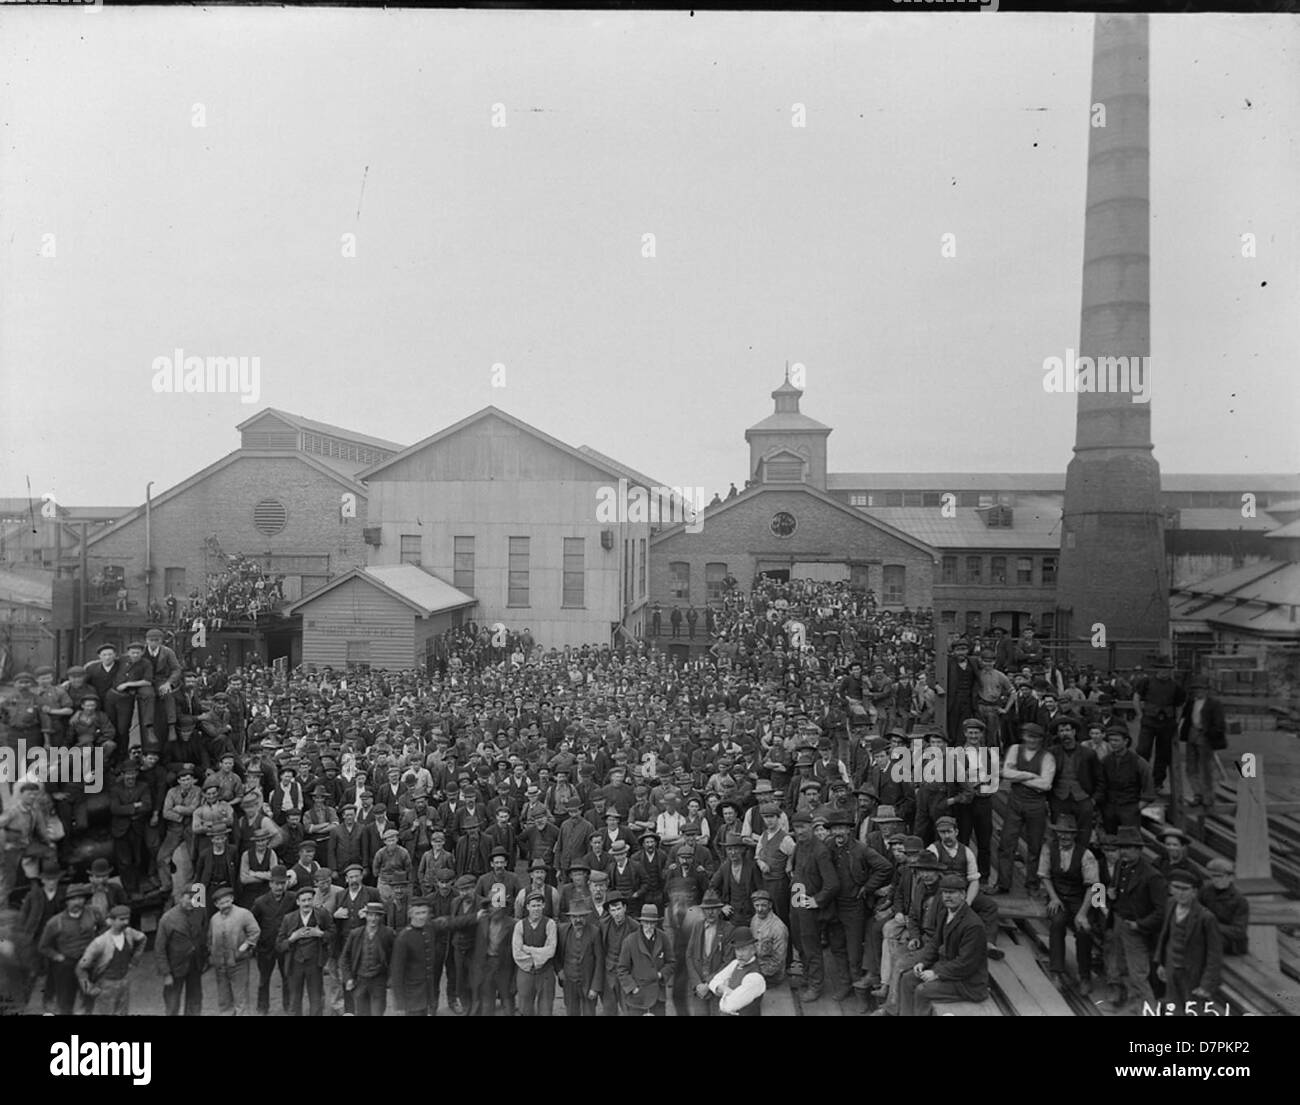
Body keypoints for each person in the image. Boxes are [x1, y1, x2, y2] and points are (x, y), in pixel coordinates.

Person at [897, 873, 989, 1016]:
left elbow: (966, 963)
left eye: (952, 893)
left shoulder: (973, 925)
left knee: (923, 991)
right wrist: (923, 962)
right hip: (949, 969)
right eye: (945, 893)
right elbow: (935, 943)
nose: (947, 897)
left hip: (967, 982)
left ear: (963, 894)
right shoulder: (945, 913)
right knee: (908, 979)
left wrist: (936, 973)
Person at [1104, 826, 1167, 1015]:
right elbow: (1116, 888)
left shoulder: (1152, 876)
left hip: (1136, 928)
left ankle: (1150, 1011)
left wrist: (1139, 925)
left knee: (1138, 974)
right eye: (1122, 847)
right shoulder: (1119, 866)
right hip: (1118, 921)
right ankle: (1132, 1005)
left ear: (1139, 850)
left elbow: (1161, 911)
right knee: (1119, 966)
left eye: (1129, 847)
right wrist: (1110, 894)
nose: (1123, 851)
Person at [1039, 814, 1100, 994]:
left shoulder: (1086, 854)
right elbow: (1044, 876)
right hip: (1058, 897)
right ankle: (1056, 972)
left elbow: (1093, 887)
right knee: (1057, 923)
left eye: (1067, 834)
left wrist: (1082, 913)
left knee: (1084, 931)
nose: (1063, 837)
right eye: (1060, 833)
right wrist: (1054, 898)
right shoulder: (1049, 849)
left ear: (1074, 835)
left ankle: (1084, 976)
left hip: (1080, 900)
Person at [994, 723, 1055, 895]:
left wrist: (1019, 777)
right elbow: (1006, 772)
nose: (1031, 740)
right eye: (1029, 736)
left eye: (1035, 737)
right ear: (1024, 736)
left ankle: (1032, 884)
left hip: (1036, 805)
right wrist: (1030, 776)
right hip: (1015, 802)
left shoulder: (1047, 757)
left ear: (1041, 739)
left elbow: (1045, 785)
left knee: (1034, 846)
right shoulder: (1015, 749)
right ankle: (1003, 884)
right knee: (1007, 843)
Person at [1155, 868, 1223, 1014]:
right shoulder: (1171, 904)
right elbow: (1165, 936)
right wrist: (1160, 962)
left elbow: (1214, 955)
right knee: (1174, 1007)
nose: (1180, 893)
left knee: (1194, 1010)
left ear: (1195, 891)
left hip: (1193, 975)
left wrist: (1206, 985)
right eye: (1176, 887)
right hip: (1172, 967)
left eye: (1185, 889)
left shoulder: (1206, 917)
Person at [788, 809, 839, 1002]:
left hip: (810, 906)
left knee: (811, 946)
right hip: (796, 900)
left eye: (802, 827)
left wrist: (816, 900)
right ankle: (807, 977)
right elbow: (796, 870)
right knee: (799, 943)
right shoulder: (799, 846)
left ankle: (816, 985)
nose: (799, 831)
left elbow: (832, 884)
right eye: (796, 827)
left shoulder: (820, 850)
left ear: (811, 827)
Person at [37, 883, 99, 1014]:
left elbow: (104, 928)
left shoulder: (93, 913)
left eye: (80, 898)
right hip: (67, 965)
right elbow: (43, 946)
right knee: (65, 1000)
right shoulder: (55, 922)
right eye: (73, 899)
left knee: (89, 997)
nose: (77, 902)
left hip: (88, 963)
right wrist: (57, 956)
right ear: (66, 902)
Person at [75, 904, 146, 1015]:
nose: (125, 923)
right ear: (111, 921)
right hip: (106, 985)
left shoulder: (129, 933)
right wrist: (88, 989)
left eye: (127, 919)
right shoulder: (100, 942)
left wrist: (135, 959)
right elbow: (80, 968)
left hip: (124, 981)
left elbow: (142, 939)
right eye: (121, 919)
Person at [276, 884, 334, 1016]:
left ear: (313, 900)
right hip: (295, 964)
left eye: (309, 900)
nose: (306, 903)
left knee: (316, 999)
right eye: (303, 900)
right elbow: (279, 945)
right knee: (295, 1000)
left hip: (315, 963)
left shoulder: (322, 915)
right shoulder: (288, 919)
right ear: (298, 902)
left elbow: (332, 934)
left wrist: (320, 934)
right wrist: (292, 938)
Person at [156, 882, 208, 1016]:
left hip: (195, 965)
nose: (193, 902)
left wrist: (205, 958)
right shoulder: (167, 919)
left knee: (195, 1001)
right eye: (189, 898)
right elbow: (160, 948)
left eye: (196, 899)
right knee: (172, 1004)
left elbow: (203, 935)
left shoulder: (200, 912)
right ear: (180, 898)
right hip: (175, 967)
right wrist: (166, 973)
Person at [208, 883, 260, 1015]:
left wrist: (246, 945)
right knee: (224, 1000)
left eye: (227, 901)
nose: (225, 904)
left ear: (232, 899)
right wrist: (213, 955)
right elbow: (209, 938)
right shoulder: (214, 919)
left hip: (238, 963)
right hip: (220, 966)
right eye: (221, 902)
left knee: (240, 998)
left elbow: (255, 931)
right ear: (216, 905)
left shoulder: (243, 914)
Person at [340, 902, 396, 1016]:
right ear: (366, 916)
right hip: (360, 980)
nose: (373, 919)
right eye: (370, 915)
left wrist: (391, 977)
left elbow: (395, 957)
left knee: (377, 1012)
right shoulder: (356, 934)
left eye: (376, 915)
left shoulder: (388, 933)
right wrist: (348, 978)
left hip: (378, 980)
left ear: (381, 917)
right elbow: (344, 958)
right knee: (361, 1012)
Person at [685, 889, 736, 1015]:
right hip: (699, 991)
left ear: (719, 910)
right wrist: (697, 984)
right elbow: (689, 956)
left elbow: (728, 962)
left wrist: (708, 984)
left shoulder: (728, 930)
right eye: (707, 909)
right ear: (703, 911)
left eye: (714, 909)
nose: (710, 912)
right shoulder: (697, 926)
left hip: (717, 988)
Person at [252, 865, 294, 1015]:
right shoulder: (260, 902)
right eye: (276, 883)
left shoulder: (292, 899)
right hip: (266, 947)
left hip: (285, 946)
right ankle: (262, 1008)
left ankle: (289, 1007)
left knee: (288, 978)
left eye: (282, 883)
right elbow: (253, 924)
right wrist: (257, 943)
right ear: (270, 883)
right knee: (264, 980)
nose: (279, 887)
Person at [617, 903, 672, 1016]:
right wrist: (633, 988)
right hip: (637, 998)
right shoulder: (630, 941)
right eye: (646, 922)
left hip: (657, 997)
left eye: (652, 922)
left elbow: (671, 963)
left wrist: (661, 974)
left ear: (656, 923)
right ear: (641, 922)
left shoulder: (663, 938)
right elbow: (622, 969)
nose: (649, 926)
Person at [1179, 681, 1226, 812]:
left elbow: (1219, 724)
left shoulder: (1214, 704)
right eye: (1196, 689)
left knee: (1205, 769)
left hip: (1205, 736)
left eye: (1201, 689)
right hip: (1192, 734)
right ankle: (1197, 794)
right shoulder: (1191, 703)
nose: (1198, 692)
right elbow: (1184, 717)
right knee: (1191, 767)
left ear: (1206, 690)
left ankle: (1208, 797)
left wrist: (1210, 734)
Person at [512, 890, 558, 1015]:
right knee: (525, 1008)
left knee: (546, 1008)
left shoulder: (550, 924)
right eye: (533, 906)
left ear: (543, 906)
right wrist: (532, 962)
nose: (536, 909)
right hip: (525, 972)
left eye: (539, 905)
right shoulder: (520, 925)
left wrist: (529, 949)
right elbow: (517, 952)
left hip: (545, 972)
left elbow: (550, 950)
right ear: (527, 907)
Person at [555, 899, 604, 1016]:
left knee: (589, 1013)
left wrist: (595, 987)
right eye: (574, 917)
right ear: (570, 917)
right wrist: (559, 970)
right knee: (571, 1012)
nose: (578, 920)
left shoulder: (594, 932)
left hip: (588, 982)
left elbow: (599, 961)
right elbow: (556, 954)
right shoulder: (562, 931)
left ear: (586, 917)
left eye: (581, 916)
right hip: (569, 983)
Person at [708, 925, 767, 1015]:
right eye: (737, 949)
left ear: (753, 949)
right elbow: (713, 982)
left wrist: (723, 987)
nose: (740, 954)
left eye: (744, 949)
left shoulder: (755, 977)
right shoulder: (735, 963)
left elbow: (727, 1006)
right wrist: (726, 989)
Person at [1199, 858, 1249, 956]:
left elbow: (1239, 931)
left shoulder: (1240, 900)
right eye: (1214, 876)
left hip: (1231, 942)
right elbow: (1196, 910)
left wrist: (1212, 925)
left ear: (1231, 878)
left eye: (1221, 876)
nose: (1216, 880)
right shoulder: (1205, 890)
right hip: (1208, 932)